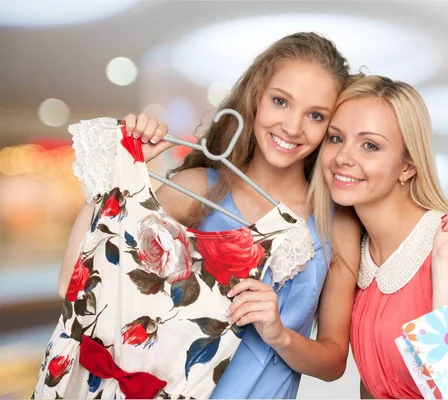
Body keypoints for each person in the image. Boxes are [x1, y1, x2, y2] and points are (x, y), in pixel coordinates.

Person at [57, 32, 362, 398]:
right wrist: (121, 172)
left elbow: (333, 362)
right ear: (255, 98)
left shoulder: (336, 222)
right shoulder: (198, 189)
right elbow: (75, 285)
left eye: (315, 115)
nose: (293, 127)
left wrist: (279, 334)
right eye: (280, 101)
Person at [312, 75, 448, 399]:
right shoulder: (356, 249)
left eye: (370, 145)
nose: (343, 157)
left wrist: (444, 268)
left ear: (408, 166)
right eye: (336, 138)